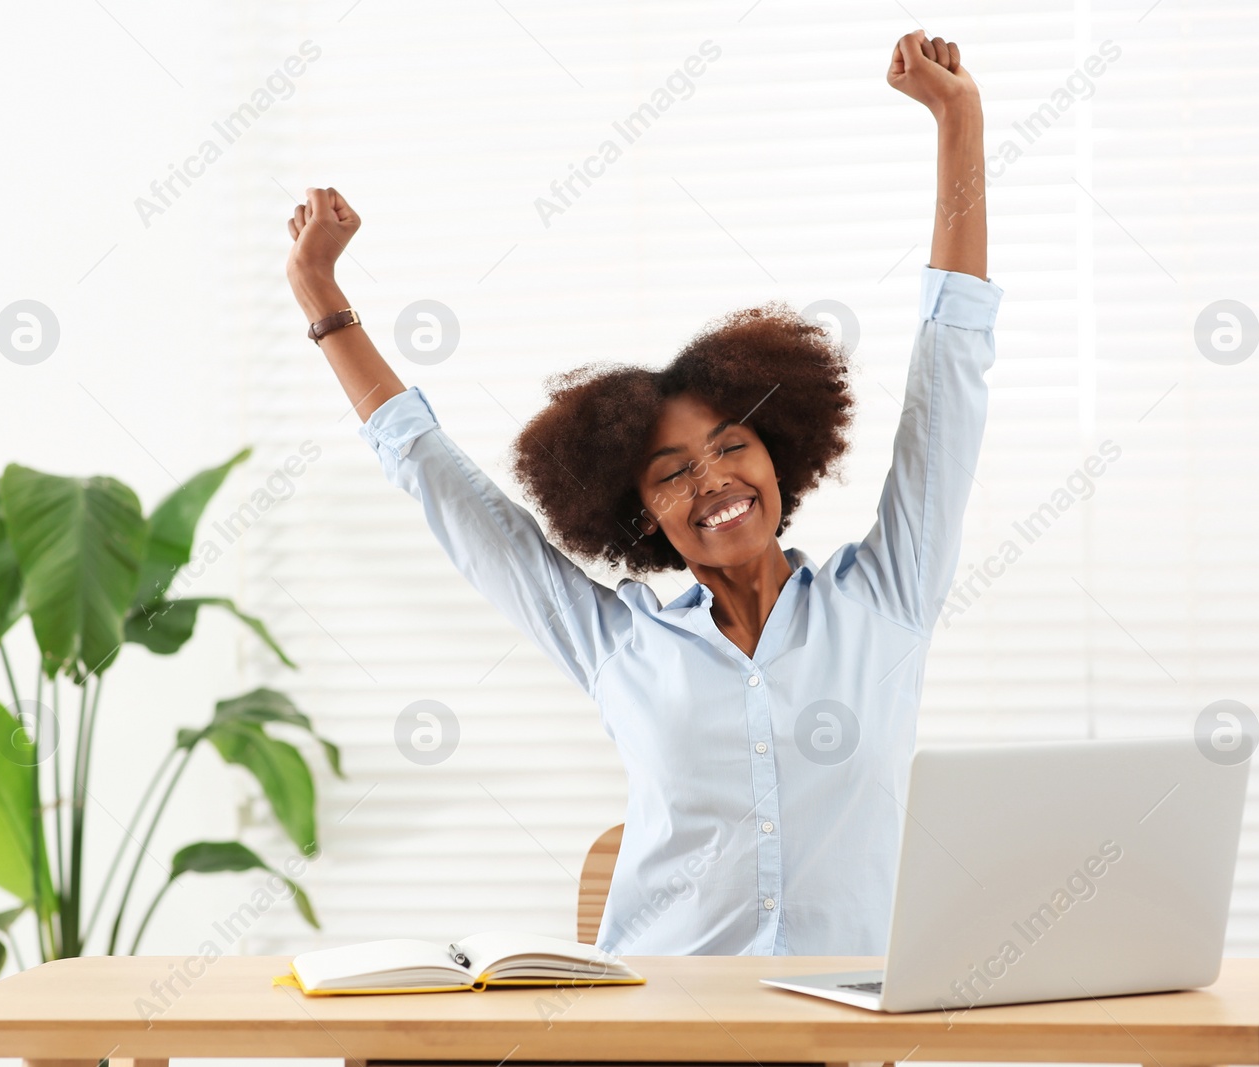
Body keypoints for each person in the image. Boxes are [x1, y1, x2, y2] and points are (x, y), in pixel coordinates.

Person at [283, 29, 1000, 956]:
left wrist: (959, 122)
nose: (712, 482)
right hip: (658, 1029)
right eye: (671, 475)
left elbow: (954, 371)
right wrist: (321, 298)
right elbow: (453, 497)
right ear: (643, 516)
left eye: (731, 445)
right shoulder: (620, 645)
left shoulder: (887, 599)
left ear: (780, 456)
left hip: (840, 1030)